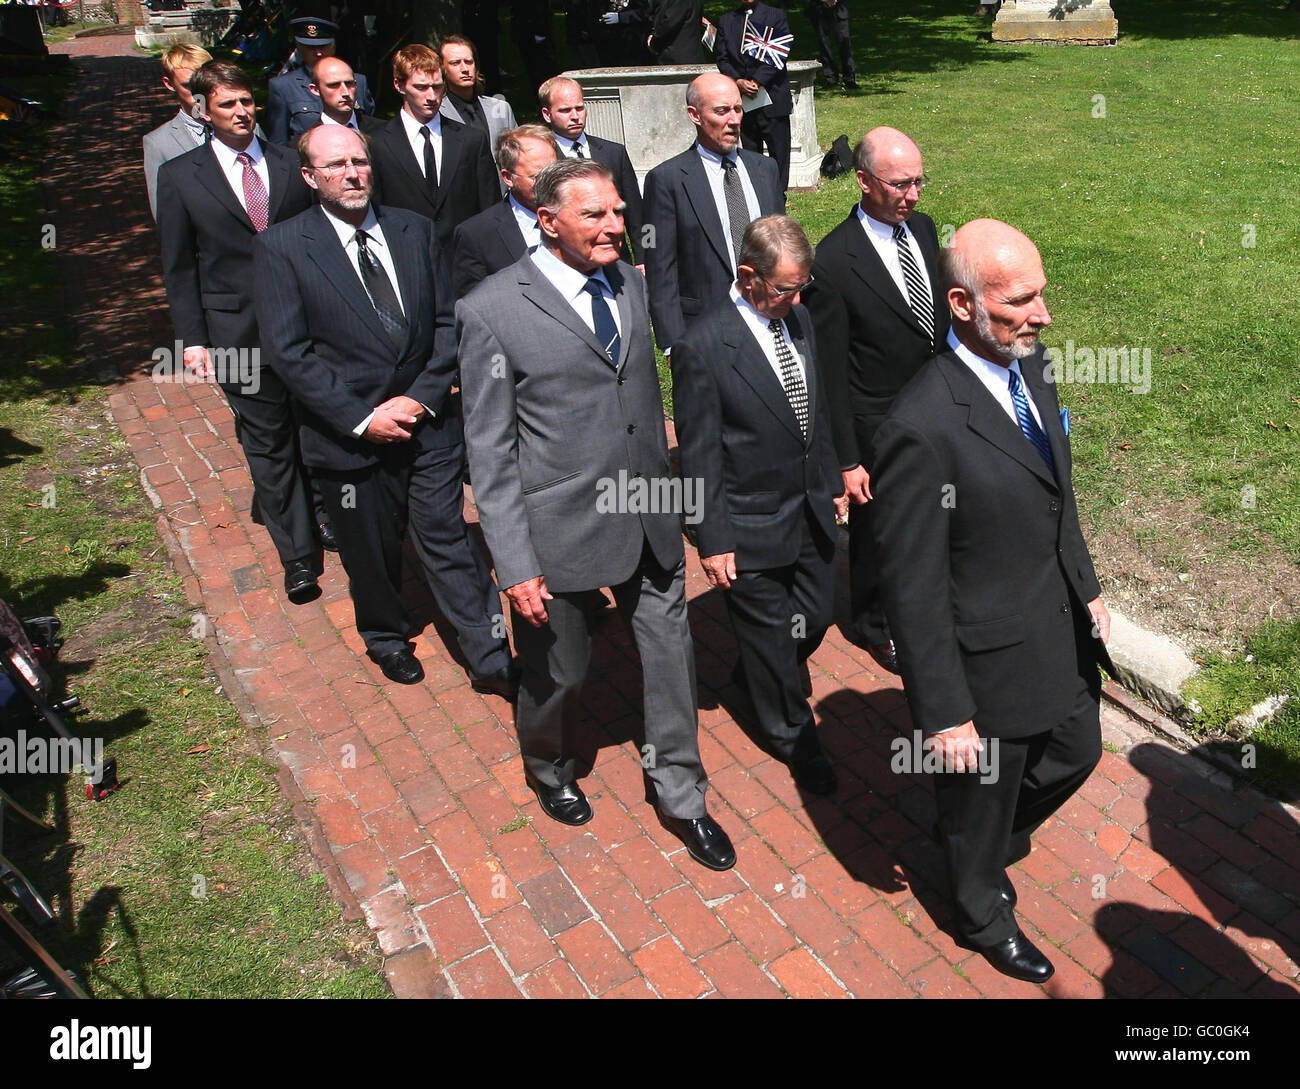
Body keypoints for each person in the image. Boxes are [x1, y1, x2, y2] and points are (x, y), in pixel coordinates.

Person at [457, 158, 736, 871]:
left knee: (672, 656)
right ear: (548, 222)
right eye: (596, 216)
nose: (617, 226)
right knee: (563, 675)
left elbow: (643, 405)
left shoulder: (629, 284)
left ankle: (683, 792)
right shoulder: (490, 309)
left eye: (618, 211)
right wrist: (514, 563)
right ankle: (548, 763)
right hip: (560, 529)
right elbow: (489, 451)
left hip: (648, 508)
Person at [870, 218, 1113, 983]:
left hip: (1054, 623)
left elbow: (1057, 494)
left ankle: (981, 832)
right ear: (962, 304)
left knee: (1078, 750)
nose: (1042, 315)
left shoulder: (1028, 366)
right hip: (982, 662)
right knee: (980, 802)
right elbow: (911, 583)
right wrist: (943, 711)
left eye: (1041, 294)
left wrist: (1089, 584)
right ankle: (979, 908)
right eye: (1021, 300)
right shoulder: (921, 427)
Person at [253, 125, 516, 695]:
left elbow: (448, 322)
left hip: (427, 424)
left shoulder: (413, 230)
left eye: (359, 161)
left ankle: (488, 649)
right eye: (336, 166)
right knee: (369, 550)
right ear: (309, 177)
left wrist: (421, 397)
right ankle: (385, 636)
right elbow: (288, 353)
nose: (352, 174)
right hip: (347, 438)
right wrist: (364, 418)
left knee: (447, 535)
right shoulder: (282, 247)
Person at [672, 216, 844, 794]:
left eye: (802, 288)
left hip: (810, 510)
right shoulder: (702, 347)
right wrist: (712, 537)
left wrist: (833, 476)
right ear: (748, 276)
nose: (796, 300)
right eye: (784, 289)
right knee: (772, 637)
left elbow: (812, 415)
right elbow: (698, 454)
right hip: (746, 522)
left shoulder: (799, 319)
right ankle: (795, 737)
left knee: (816, 615)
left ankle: (756, 668)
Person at [155, 60, 320, 604]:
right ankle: (297, 555)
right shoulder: (181, 175)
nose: (242, 112)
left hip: (306, 325)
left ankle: (327, 514)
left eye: (247, 101)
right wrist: (194, 339)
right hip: (235, 335)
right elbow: (179, 267)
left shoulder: (288, 163)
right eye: (228, 104)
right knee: (268, 444)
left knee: (316, 428)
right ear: (203, 110)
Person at [803, 127, 946, 674]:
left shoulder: (925, 231)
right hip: (876, 426)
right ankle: (874, 622)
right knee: (879, 531)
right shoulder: (835, 261)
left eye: (918, 181)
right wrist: (846, 458)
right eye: (900, 184)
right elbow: (831, 371)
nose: (913, 195)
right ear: (862, 181)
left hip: (933, 412)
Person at [642, 72, 785, 354]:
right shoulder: (667, 180)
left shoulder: (765, 170)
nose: (733, 120)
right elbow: (660, 269)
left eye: (738, 109)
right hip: (706, 329)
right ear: (695, 115)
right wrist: (673, 344)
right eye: (721, 111)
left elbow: (782, 245)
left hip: (769, 317)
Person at [368, 43, 499, 255]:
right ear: (399, 85)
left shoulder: (470, 140)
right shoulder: (377, 143)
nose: (431, 96)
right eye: (421, 87)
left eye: (437, 87)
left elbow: (490, 208)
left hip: (464, 260)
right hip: (406, 258)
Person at [538, 76, 644, 264]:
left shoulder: (614, 153)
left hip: (618, 261)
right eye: (565, 110)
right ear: (547, 114)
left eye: (579, 108)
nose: (575, 116)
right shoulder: (543, 158)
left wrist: (644, 258)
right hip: (569, 261)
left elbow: (636, 214)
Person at [451, 125, 558, 299]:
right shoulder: (477, 235)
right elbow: (476, 308)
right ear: (508, 178)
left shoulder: (578, 217)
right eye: (537, 177)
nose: (550, 183)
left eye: (555, 172)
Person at [715, 1, 794, 191]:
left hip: (772, 99)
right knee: (750, 155)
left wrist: (757, 81)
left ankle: (778, 197)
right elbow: (722, 58)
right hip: (744, 102)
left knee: (779, 154)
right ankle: (757, 194)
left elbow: (778, 55)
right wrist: (738, 81)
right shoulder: (726, 21)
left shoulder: (776, 16)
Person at [266, 16, 374, 147]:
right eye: (310, 48)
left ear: (333, 47)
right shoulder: (283, 87)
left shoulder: (358, 81)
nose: (318, 53)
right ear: (299, 48)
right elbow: (279, 143)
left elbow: (371, 128)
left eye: (323, 46)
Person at [143, 43, 213, 221]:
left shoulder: (248, 128)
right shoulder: (159, 144)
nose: (200, 94)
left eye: (206, 83)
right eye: (189, 85)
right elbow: (165, 215)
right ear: (169, 84)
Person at [437, 34, 518, 175]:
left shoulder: (501, 108)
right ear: (442, 69)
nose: (464, 69)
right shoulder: (437, 112)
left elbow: (518, 154)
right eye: (455, 63)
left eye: (469, 62)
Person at [308, 56, 385, 134]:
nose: (346, 93)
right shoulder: (306, 143)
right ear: (315, 89)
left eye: (349, 83)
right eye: (334, 85)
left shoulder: (382, 132)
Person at [806, 0, 856, 90]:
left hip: (839, 6)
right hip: (818, 8)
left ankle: (849, 79)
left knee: (844, 43)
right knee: (824, 44)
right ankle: (831, 78)